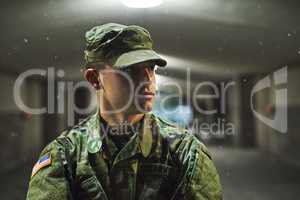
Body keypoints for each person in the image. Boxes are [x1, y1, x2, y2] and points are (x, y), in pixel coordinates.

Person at [26, 23, 223, 200]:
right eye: (130, 70)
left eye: (151, 68)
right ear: (95, 78)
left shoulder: (185, 152)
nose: (148, 80)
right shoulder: (66, 156)